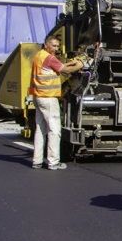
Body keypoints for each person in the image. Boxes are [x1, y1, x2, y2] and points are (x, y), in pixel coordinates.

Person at [29, 35, 83, 170]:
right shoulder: (50, 58)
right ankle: (53, 162)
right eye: (53, 45)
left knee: (40, 129)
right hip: (48, 98)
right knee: (54, 130)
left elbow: (59, 66)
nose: (56, 48)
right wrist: (81, 63)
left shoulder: (39, 56)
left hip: (38, 96)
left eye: (58, 46)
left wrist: (71, 62)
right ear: (46, 44)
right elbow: (65, 70)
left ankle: (37, 161)